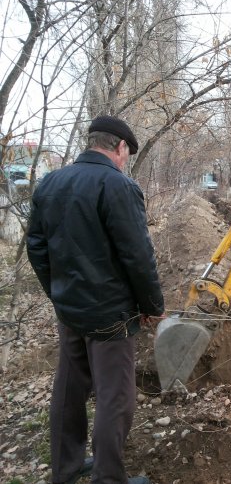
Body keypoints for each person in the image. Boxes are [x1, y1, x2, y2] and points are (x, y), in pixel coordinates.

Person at [27, 116, 165, 484]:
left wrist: (59, 294)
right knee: (114, 398)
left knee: (70, 391)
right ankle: (108, 478)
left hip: (70, 311)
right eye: (126, 153)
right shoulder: (118, 185)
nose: (125, 160)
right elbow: (138, 256)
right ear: (119, 147)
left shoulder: (50, 182)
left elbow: (37, 248)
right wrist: (152, 306)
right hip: (111, 317)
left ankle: (66, 469)